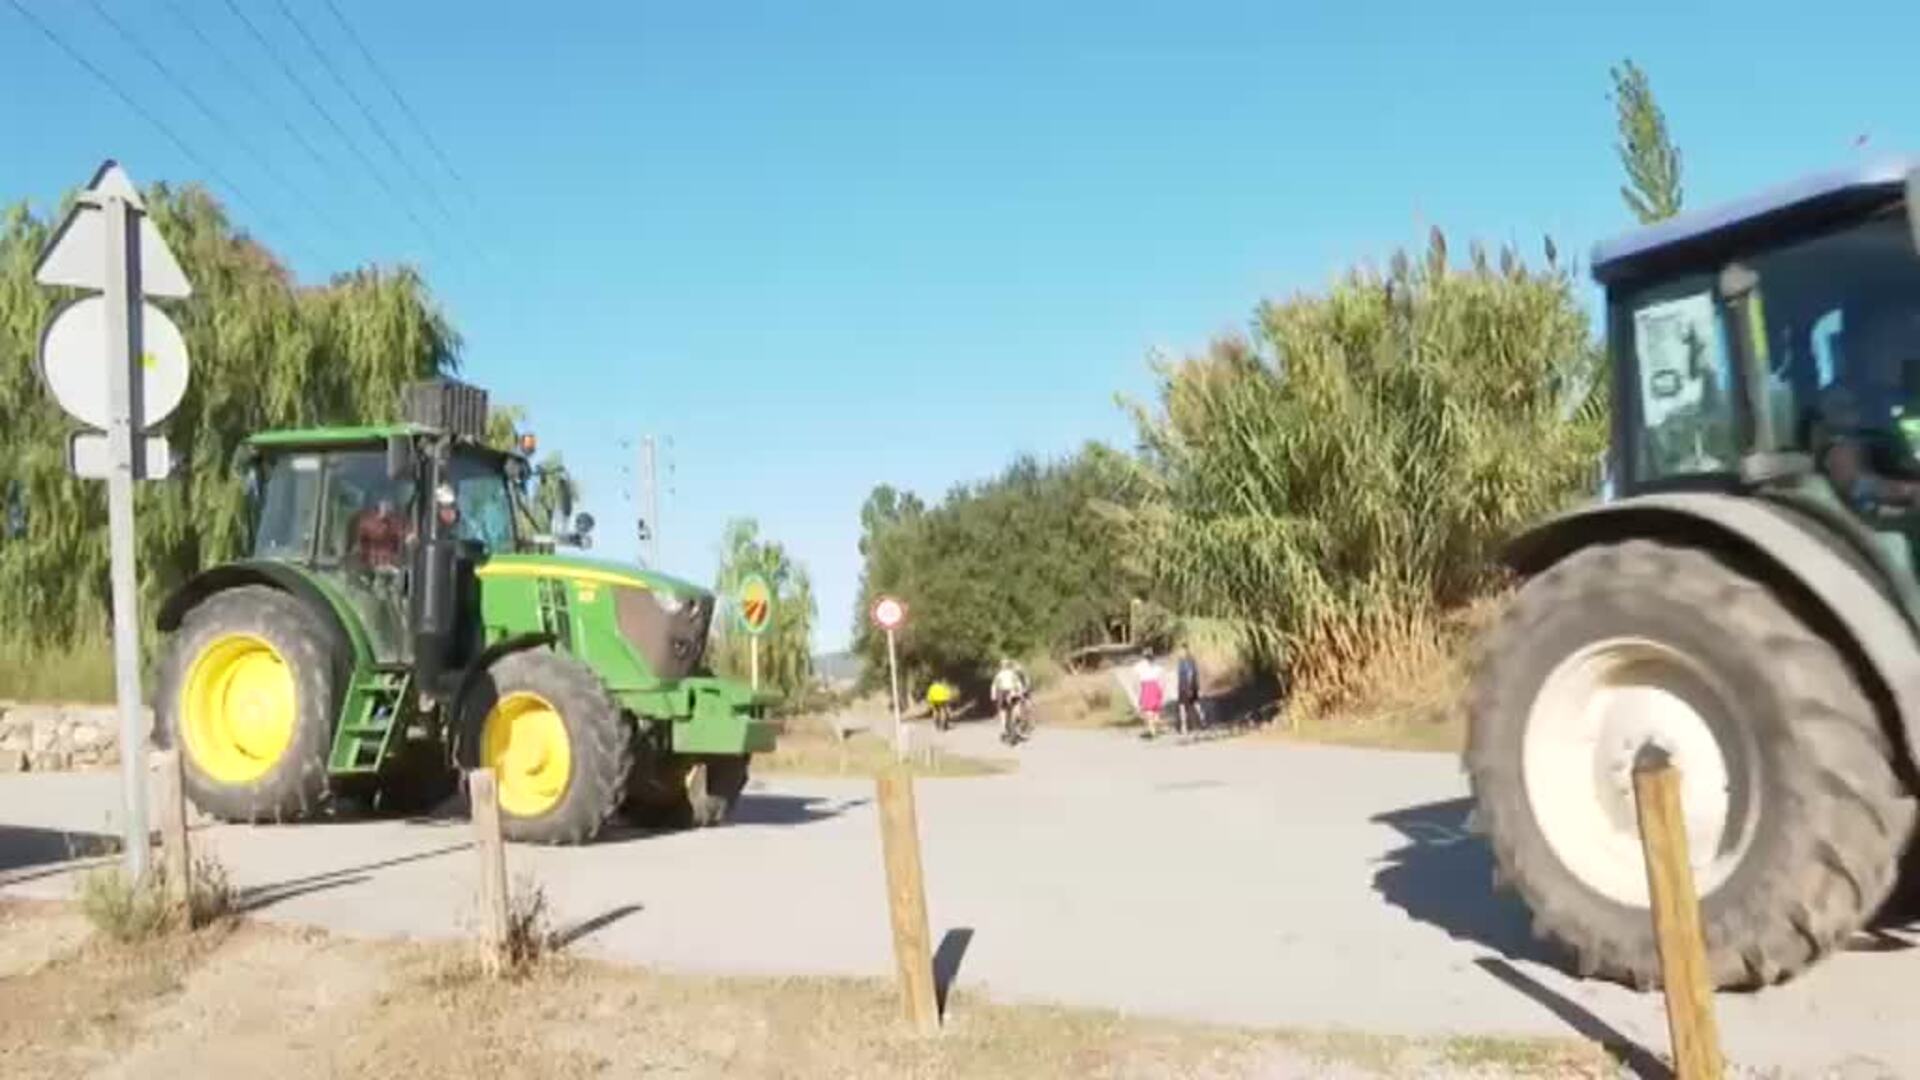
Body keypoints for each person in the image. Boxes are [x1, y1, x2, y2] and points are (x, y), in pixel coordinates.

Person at [990, 659, 1029, 743]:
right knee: (1012, 710)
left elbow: (994, 685)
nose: (1004, 666)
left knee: (1004, 711)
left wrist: (993, 696)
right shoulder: (1011, 674)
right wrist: (1021, 692)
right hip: (1011, 693)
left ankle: (1007, 729)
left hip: (1004, 693)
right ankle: (1012, 727)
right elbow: (1018, 684)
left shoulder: (999, 674)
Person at [1134, 651, 1165, 740]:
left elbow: (1136, 676)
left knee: (1149, 711)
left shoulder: (1140, 666)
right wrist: (1161, 691)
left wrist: (1138, 692)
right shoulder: (1157, 667)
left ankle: (1153, 731)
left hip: (1147, 687)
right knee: (1155, 710)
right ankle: (1155, 726)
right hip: (1155, 687)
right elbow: (1161, 680)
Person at [1174, 646, 1202, 736]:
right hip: (1188, 687)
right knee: (1194, 705)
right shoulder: (1189, 661)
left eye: (1181, 651)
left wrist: (1189, 688)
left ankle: (1185, 726)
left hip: (1186, 688)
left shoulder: (1185, 663)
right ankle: (1198, 722)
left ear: (1185, 652)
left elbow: (1190, 675)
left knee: (1184, 707)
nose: (1180, 653)